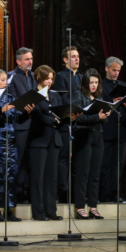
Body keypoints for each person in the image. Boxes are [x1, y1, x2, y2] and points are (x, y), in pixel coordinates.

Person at [0, 68, 33, 222]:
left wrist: (27, 112)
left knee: (11, 174)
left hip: (11, 139)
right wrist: (1, 112)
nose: (5, 83)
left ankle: (9, 209)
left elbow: (18, 119)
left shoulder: (10, 97)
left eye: (6, 80)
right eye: (2, 80)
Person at [28, 65, 68, 221]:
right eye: (47, 78)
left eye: (52, 78)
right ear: (39, 78)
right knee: (38, 177)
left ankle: (51, 210)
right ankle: (38, 212)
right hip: (39, 139)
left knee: (52, 177)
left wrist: (60, 119)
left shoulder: (55, 95)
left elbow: (60, 114)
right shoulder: (34, 95)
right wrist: (53, 120)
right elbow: (38, 115)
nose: (50, 81)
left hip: (54, 138)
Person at [71, 69, 109, 219]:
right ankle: (80, 207)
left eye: (96, 82)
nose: (94, 85)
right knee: (83, 174)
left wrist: (105, 115)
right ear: (86, 82)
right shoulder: (78, 95)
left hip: (97, 136)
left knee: (95, 174)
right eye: (91, 82)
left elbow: (102, 120)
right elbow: (77, 118)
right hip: (83, 135)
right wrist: (96, 116)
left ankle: (93, 206)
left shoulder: (98, 97)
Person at [7, 47, 37, 203]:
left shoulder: (33, 77)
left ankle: (26, 192)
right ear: (18, 61)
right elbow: (9, 102)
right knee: (17, 161)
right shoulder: (11, 77)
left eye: (31, 58)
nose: (30, 62)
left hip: (34, 125)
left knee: (30, 162)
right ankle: (15, 193)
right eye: (27, 59)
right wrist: (22, 109)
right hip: (19, 125)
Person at [100, 57, 126, 203]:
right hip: (107, 129)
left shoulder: (123, 85)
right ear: (106, 68)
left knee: (118, 164)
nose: (116, 73)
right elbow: (98, 104)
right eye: (114, 70)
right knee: (105, 164)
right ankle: (104, 193)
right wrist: (111, 102)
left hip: (121, 130)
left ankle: (115, 193)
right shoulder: (100, 85)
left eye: (118, 70)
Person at [53, 46, 81, 202]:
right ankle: (64, 193)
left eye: (78, 56)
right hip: (66, 123)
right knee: (64, 160)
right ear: (65, 59)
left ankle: (77, 193)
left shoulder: (82, 77)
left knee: (78, 160)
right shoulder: (61, 76)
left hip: (80, 124)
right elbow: (62, 100)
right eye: (73, 56)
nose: (77, 59)